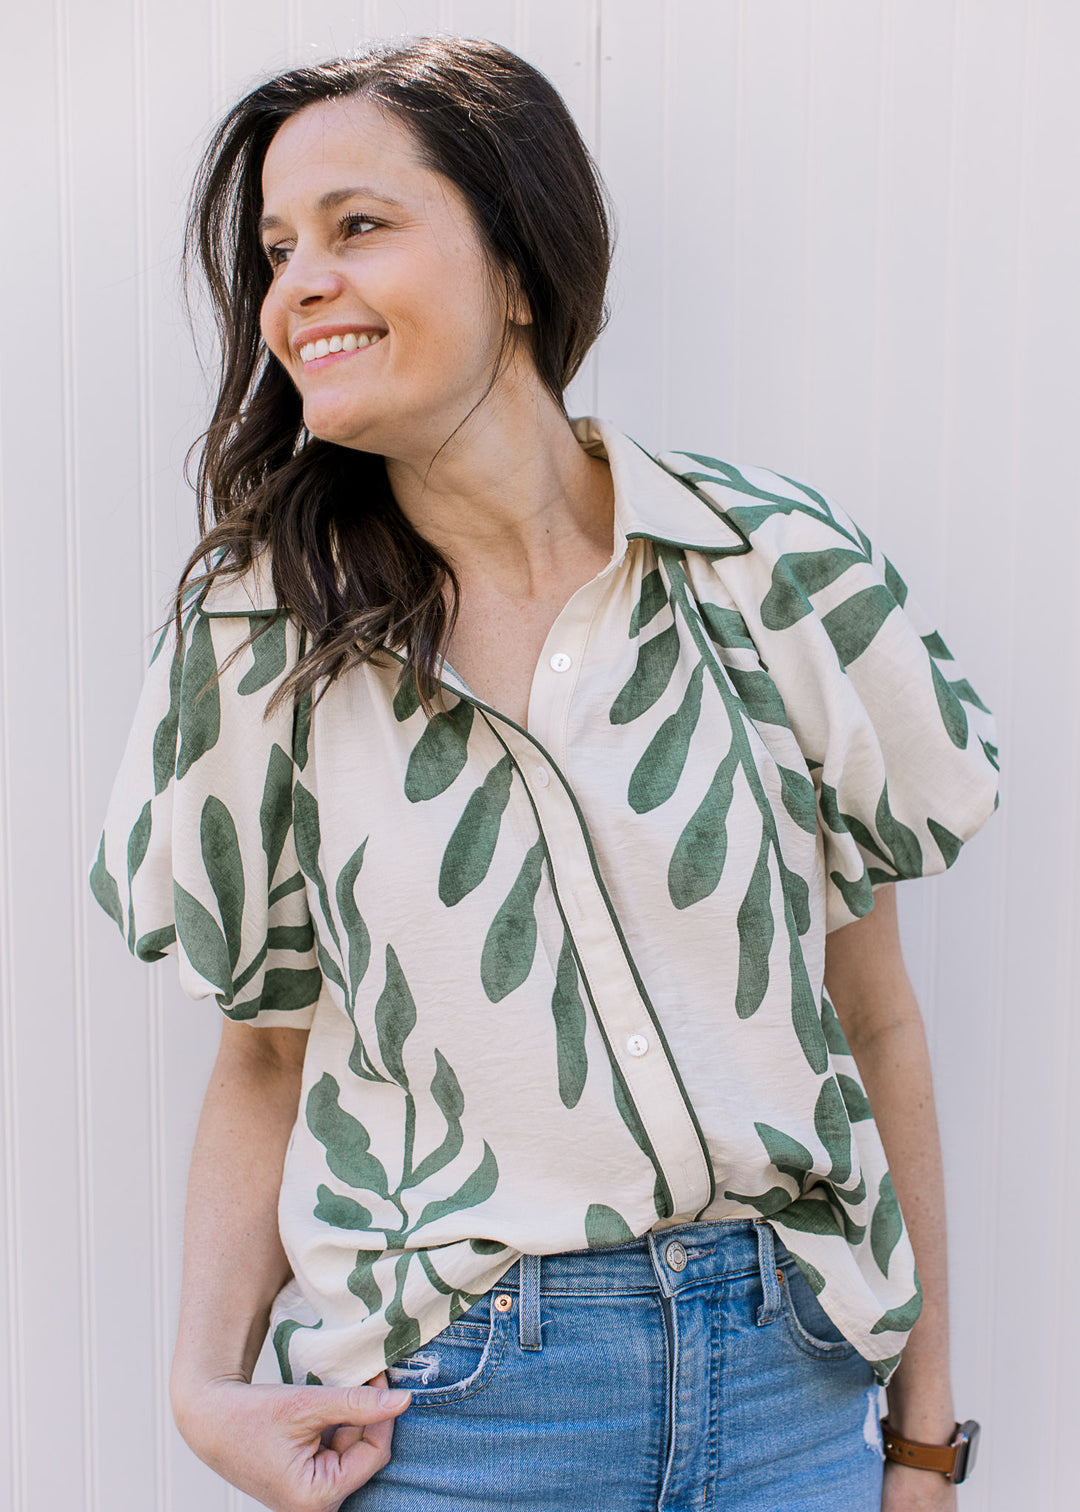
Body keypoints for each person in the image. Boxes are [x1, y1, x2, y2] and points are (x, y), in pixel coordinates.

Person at [90, 35, 997, 1512]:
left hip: (797, 1397)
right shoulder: (254, 638)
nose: (296, 284)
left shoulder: (775, 574)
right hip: (465, 1420)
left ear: (518, 263)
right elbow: (264, 1050)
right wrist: (204, 1388)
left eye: (357, 226)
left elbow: (876, 1014)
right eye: (274, 248)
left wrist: (923, 1442)